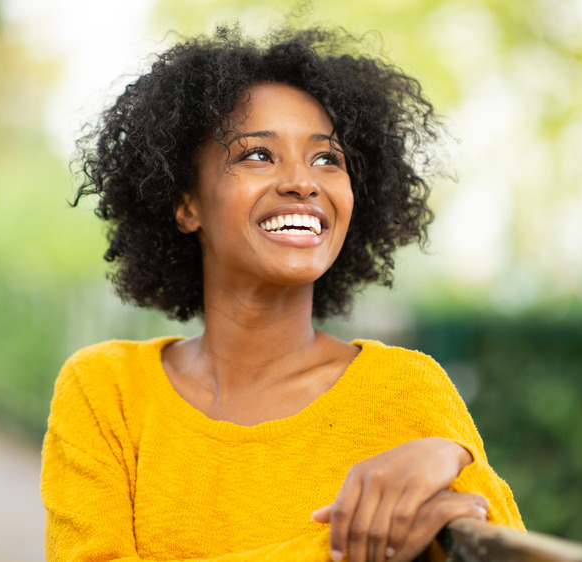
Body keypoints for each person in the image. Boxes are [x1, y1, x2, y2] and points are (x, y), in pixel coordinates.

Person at [40, 25, 522, 562]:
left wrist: (449, 456)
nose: (302, 182)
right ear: (187, 205)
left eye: (326, 160)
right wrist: (339, 547)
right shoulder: (105, 392)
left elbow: (504, 546)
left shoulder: (406, 394)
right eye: (257, 155)